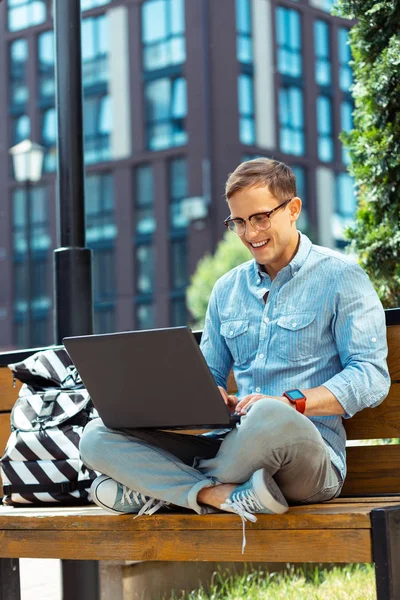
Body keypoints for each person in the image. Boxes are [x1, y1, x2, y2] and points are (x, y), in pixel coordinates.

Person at [80, 158, 390, 551]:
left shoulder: (341, 277)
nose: (250, 233)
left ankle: (162, 489)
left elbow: (371, 376)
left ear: (293, 209)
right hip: (230, 445)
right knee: (95, 436)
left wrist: (289, 402)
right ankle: (216, 496)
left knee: (269, 416)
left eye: (260, 218)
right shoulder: (227, 290)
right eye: (238, 222)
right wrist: (207, 399)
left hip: (308, 458)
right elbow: (208, 374)